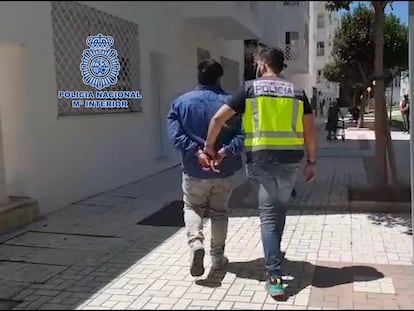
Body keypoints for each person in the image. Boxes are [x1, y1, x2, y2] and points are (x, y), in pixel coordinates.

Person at [203, 47, 316, 300]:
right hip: (289, 162)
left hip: (261, 161)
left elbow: (217, 120)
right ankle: (275, 253)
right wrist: (312, 161)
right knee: (279, 211)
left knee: (268, 217)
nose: (255, 66)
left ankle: (274, 276)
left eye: (257, 63)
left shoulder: (250, 89)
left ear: (263, 64)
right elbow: (309, 130)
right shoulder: (298, 92)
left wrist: (209, 147)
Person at [166, 59, 244, 277]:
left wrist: (197, 151)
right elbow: (243, 135)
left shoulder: (181, 102)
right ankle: (217, 258)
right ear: (219, 77)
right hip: (223, 168)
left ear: (198, 76)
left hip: (194, 169)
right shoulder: (231, 103)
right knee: (219, 213)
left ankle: (196, 244)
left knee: (192, 207)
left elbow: (175, 135)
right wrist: (224, 151)